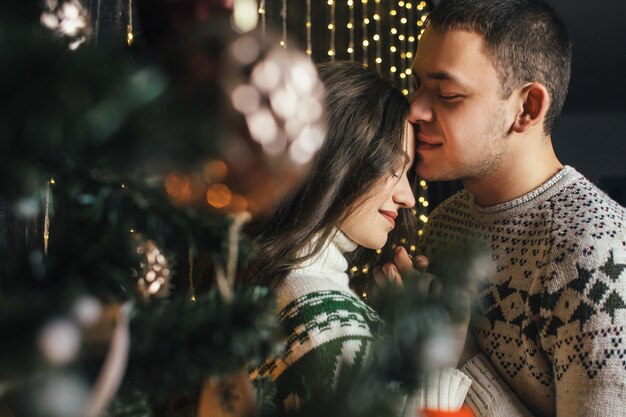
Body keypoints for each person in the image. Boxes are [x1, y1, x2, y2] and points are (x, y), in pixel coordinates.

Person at [383, 0, 626, 415]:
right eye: (418, 85)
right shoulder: (445, 223)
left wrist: (462, 359)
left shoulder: (596, 250)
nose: (415, 109)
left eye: (447, 94)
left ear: (527, 108)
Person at [248, 61, 475, 414]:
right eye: (392, 167)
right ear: (335, 155)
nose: (409, 197)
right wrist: (436, 363)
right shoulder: (330, 327)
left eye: (408, 174)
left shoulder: (280, 286)